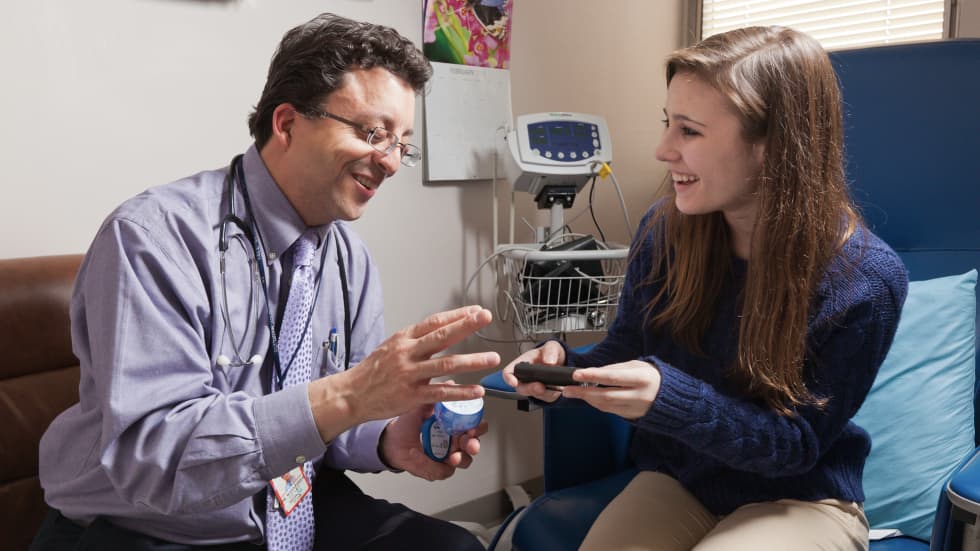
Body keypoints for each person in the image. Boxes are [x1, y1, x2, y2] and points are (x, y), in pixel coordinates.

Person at [32, 13, 498, 551]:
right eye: (373, 133)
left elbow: (334, 418)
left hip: (294, 502)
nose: (390, 161)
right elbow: (156, 460)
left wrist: (391, 438)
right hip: (152, 525)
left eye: (401, 143)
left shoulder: (349, 260)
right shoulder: (153, 239)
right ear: (287, 124)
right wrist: (352, 394)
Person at [502, 26, 908, 551]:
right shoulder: (664, 232)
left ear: (770, 145)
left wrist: (668, 397)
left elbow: (792, 447)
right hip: (683, 480)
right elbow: (626, 352)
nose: (662, 150)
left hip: (799, 497)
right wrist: (563, 369)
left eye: (689, 131)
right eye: (668, 124)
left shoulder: (866, 280)